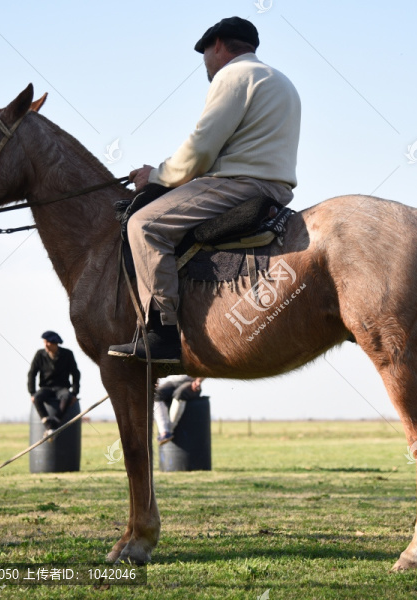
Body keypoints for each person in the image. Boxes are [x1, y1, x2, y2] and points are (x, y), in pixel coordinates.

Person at [108, 16, 302, 364]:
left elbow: (199, 150)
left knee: (143, 225)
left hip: (237, 185)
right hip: (277, 187)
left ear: (217, 46)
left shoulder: (233, 76)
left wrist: (156, 175)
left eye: (205, 57)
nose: (206, 67)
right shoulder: (281, 80)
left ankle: (162, 333)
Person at [28, 331, 81, 435]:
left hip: (61, 388)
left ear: (55, 344)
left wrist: (75, 393)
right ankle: (48, 423)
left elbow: (75, 373)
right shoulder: (40, 354)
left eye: (48, 343)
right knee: (38, 398)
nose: (46, 346)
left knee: (66, 397)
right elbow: (32, 374)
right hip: (45, 388)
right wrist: (32, 393)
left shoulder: (67, 354)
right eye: (44, 343)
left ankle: (56, 421)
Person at [154, 375, 205, 444]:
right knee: (156, 395)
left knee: (179, 394)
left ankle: (169, 430)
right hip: (172, 381)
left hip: (190, 381)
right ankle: (163, 432)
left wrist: (198, 381)